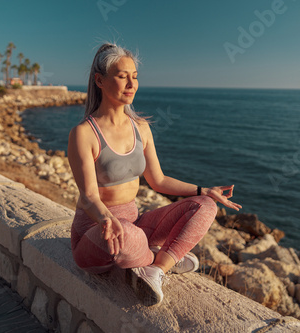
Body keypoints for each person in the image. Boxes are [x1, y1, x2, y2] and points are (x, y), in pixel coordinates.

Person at [68, 43, 242, 306]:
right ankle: (166, 257)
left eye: (135, 76)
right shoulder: (84, 133)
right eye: (122, 75)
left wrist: (203, 190)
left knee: (204, 207)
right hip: (97, 233)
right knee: (126, 235)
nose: (131, 83)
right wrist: (106, 219)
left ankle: (156, 267)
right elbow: (89, 196)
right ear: (99, 80)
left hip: (136, 224)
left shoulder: (141, 128)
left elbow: (158, 180)